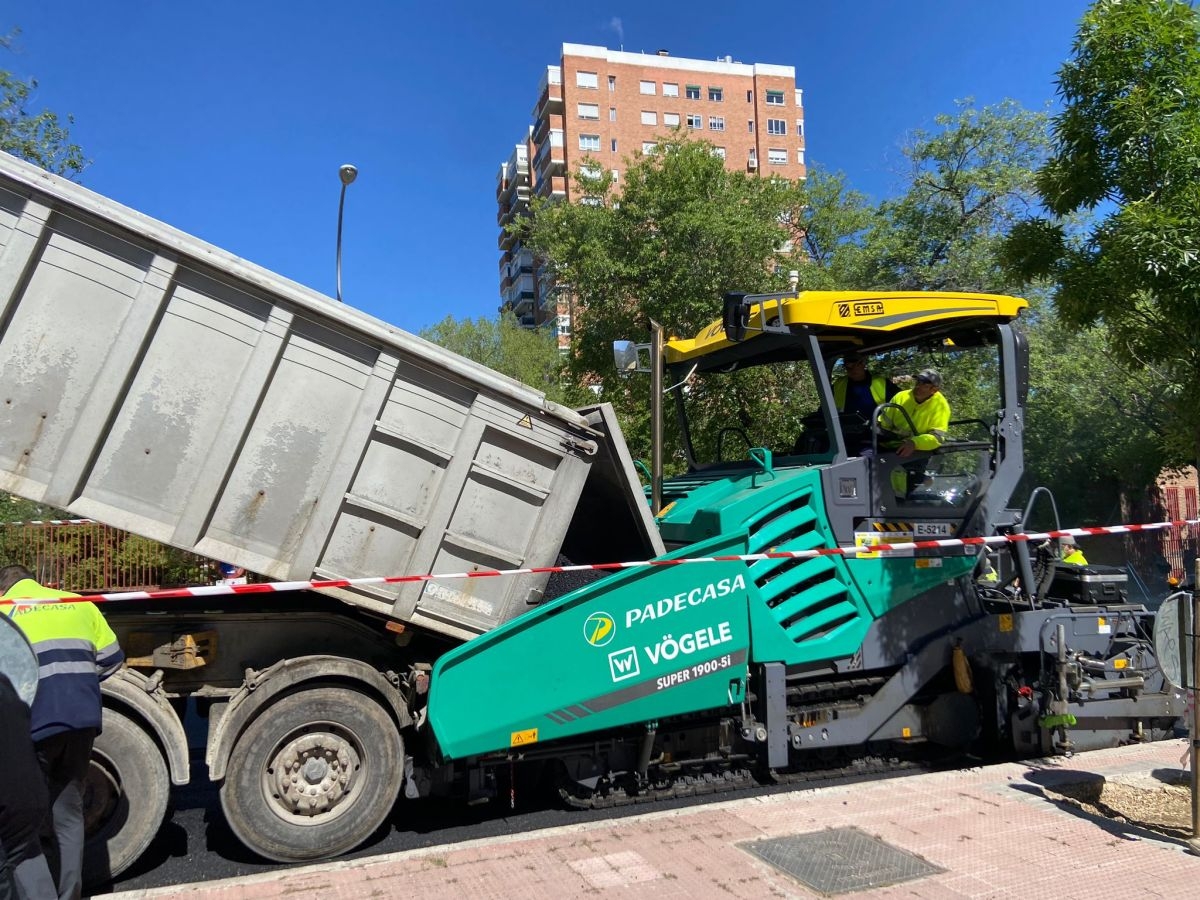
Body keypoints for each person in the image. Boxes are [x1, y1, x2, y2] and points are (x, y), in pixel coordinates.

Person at [0, 566, 125, 900]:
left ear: (5, 589)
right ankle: (70, 893)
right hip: (82, 721)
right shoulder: (80, 603)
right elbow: (112, 658)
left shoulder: (5, 611)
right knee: (68, 814)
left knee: (21, 827)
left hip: (32, 725)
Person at [877, 369, 951, 496]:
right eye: (918, 381)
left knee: (910, 484)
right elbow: (883, 424)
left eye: (925, 383)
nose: (918, 385)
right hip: (889, 448)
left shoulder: (941, 406)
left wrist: (914, 443)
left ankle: (905, 500)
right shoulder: (901, 397)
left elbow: (937, 438)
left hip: (916, 453)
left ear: (934, 390)